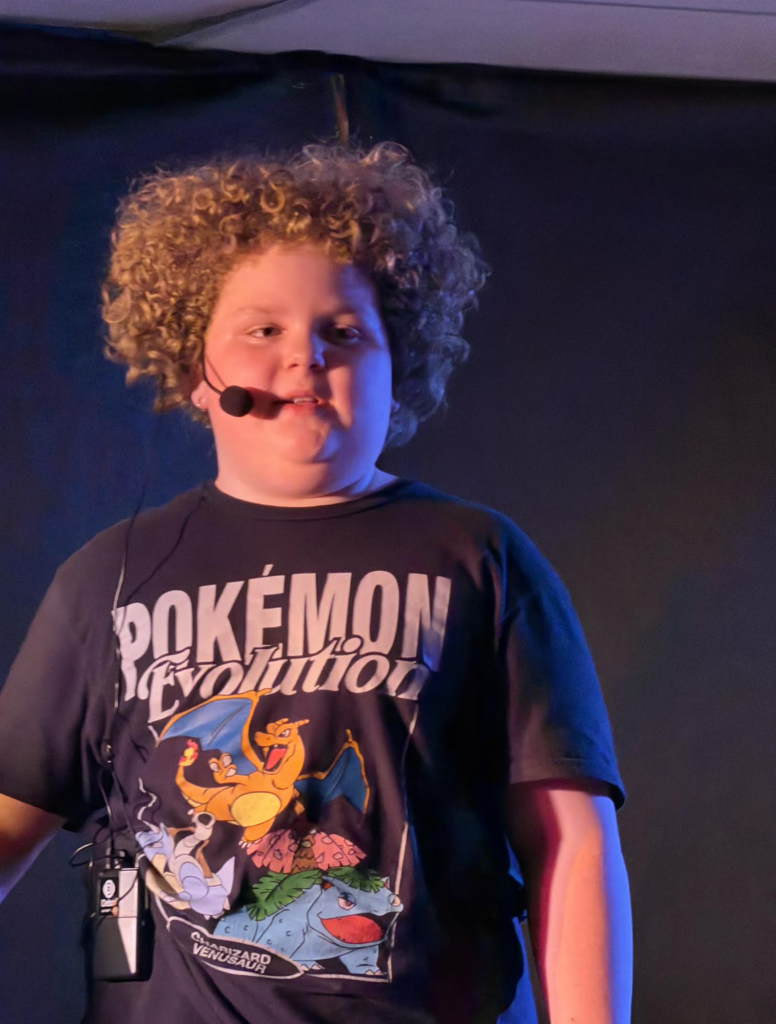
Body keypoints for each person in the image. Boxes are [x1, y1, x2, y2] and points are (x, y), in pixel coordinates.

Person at [0, 139, 632, 1024]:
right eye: (263, 330)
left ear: (394, 365)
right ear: (198, 373)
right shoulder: (107, 578)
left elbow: (569, 841)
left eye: (343, 333)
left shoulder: (478, 558)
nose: (305, 357)